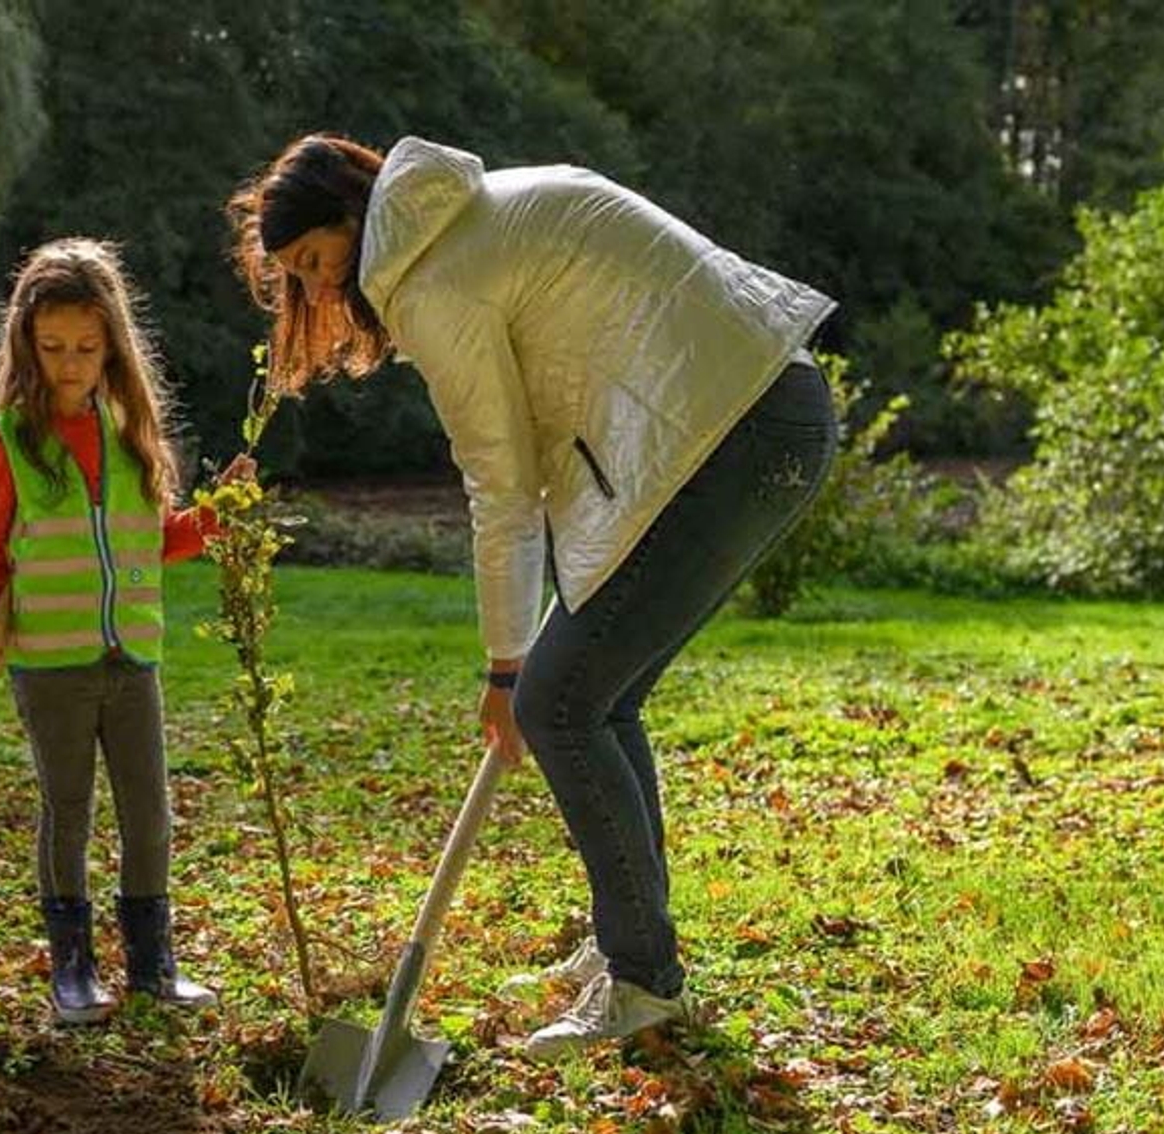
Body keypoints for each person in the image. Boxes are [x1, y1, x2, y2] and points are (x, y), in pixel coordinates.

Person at [226, 135, 838, 1057]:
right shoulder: (471, 213)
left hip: (736, 433)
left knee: (557, 700)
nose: (316, 294)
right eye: (297, 281)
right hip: (757, 416)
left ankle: (643, 986)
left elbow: (500, 481)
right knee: (600, 694)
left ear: (354, 217)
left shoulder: (433, 277)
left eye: (314, 264)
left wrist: (507, 664)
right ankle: (630, 942)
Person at [0, 237, 252, 1025]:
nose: (70, 364)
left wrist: (216, 517)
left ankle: (154, 964)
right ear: (26, 344)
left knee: (148, 809)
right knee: (69, 806)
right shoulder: (7, 438)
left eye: (87, 348)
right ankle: (73, 967)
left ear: (112, 345)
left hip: (133, 654)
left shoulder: (128, 427)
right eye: (52, 348)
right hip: (50, 662)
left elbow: (152, 537)